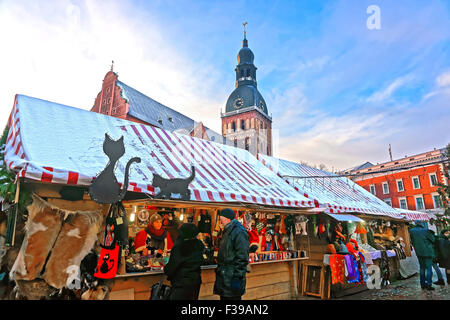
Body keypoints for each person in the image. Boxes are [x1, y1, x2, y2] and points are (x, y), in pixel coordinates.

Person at [213, 208, 249, 300]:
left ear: (227, 219)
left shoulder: (238, 231)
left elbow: (242, 256)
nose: (220, 222)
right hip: (226, 277)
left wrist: (237, 277)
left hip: (232, 277)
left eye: (221, 219)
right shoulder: (227, 231)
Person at [163, 223, 204, 300]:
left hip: (181, 284)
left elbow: (172, 266)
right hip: (195, 282)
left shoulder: (179, 246)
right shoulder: (199, 245)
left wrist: (166, 269)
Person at [409, 221, 436, 290]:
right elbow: (433, 240)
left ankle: (422, 284)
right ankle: (429, 284)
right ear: (421, 224)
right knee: (429, 268)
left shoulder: (411, 231)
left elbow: (412, 241)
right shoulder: (426, 230)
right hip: (427, 252)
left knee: (422, 268)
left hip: (419, 252)